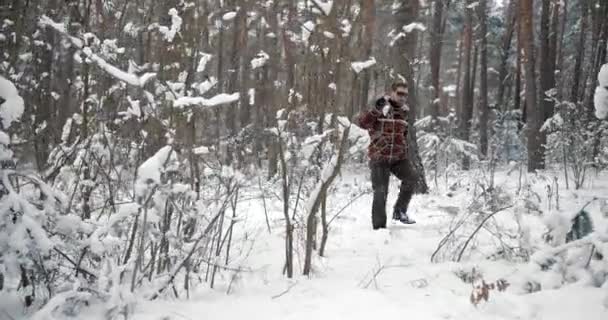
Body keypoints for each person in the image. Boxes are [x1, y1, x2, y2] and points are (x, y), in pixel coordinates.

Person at [357, 82, 418, 229]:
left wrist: (403, 151)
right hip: (379, 157)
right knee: (380, 191)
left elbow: (403, 134)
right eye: (399, 93)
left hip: (398, 158)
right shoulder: (381, 106)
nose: (402, 97)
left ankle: (399, 211)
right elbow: (363, 124)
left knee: (412, 178)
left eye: (405, 94)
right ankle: (379, 228)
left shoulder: (404, 112)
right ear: (391, 92)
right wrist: (377, 109)